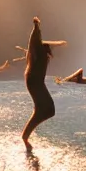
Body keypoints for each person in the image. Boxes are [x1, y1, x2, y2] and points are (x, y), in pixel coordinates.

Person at [20, 17, 68, 152]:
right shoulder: (37, 50)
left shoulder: (38, 51)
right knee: (48, 110)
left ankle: (25, 135)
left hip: (35, 81)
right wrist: (36, 27)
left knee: (46, 110)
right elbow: (36, 41)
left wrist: (59, 43)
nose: (51, 53)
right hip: (35, 82)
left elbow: (43, 42)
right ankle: (25, 136)